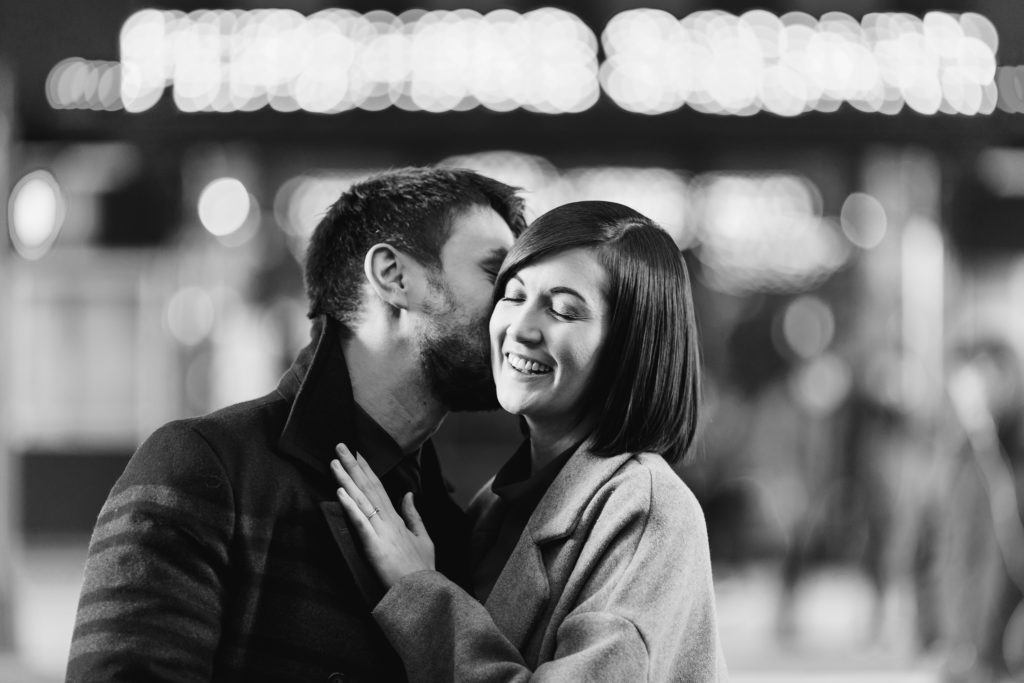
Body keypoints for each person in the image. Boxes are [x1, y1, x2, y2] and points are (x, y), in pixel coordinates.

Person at [66, 167, 526, 682]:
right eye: (497, 277)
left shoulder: (448, 526)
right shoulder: (205, 468)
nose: (518, 315)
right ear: (394, 278)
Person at [332, 201, 727, 681]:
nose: (521, 329)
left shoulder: (645, 508)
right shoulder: (500, 501)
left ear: (632, 345)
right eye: (514, 296)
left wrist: (419, 591)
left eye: (562, 310)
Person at [916, 336, 1024, 682]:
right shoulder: (961, 452)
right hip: (971, 645)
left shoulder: (1006, 450)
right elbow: (949, 549)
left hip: (999, 641)